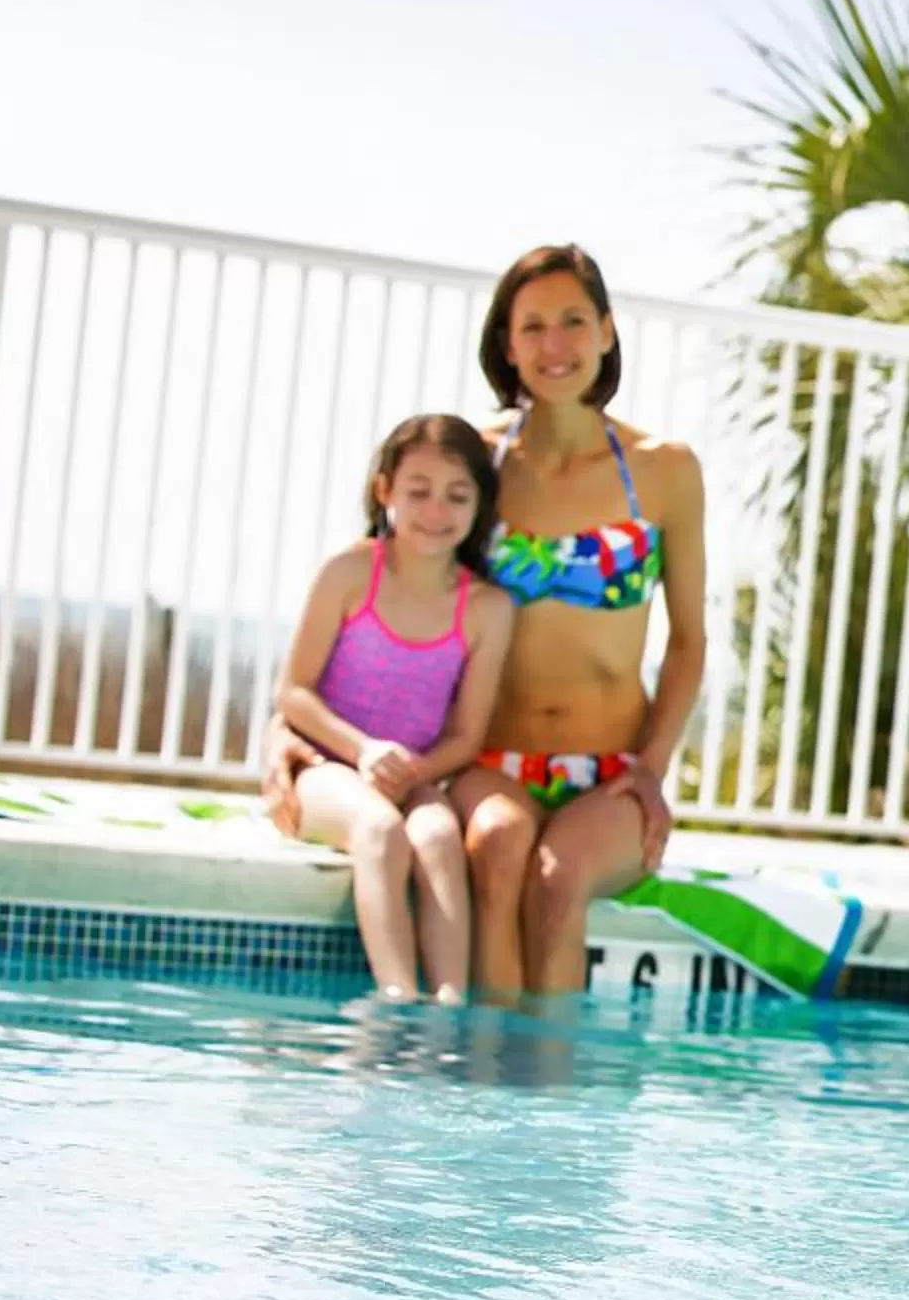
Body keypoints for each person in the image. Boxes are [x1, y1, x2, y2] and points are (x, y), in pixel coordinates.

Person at [267, 244, 709, 998]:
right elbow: (394, 585)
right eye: (531, 326)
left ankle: (552, 1099)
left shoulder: (665, 470)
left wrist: (653, 765)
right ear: (507, 344)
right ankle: (485, 1093)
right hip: (491, 763)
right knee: (498, 851)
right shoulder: (480, 462)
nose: (554, 345)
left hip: (609, 773)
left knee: (558, 876)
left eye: (573, 321)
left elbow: (690, 640)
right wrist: (294, 734)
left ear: (607, 331)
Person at [273, 414, 516, 1001]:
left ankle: (448, 1010)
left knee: (436, 835)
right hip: (325, 769)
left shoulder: (486, 608)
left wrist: (411, 773)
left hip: (415, 778)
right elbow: (293, 693)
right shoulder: (351, 572)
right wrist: (365, 754)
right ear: (385, 492)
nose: (437, 511)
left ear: (479, 504)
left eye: (457, 496)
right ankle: (396, 1004)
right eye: (418, 492)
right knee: (380, 830)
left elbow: (465, 736)